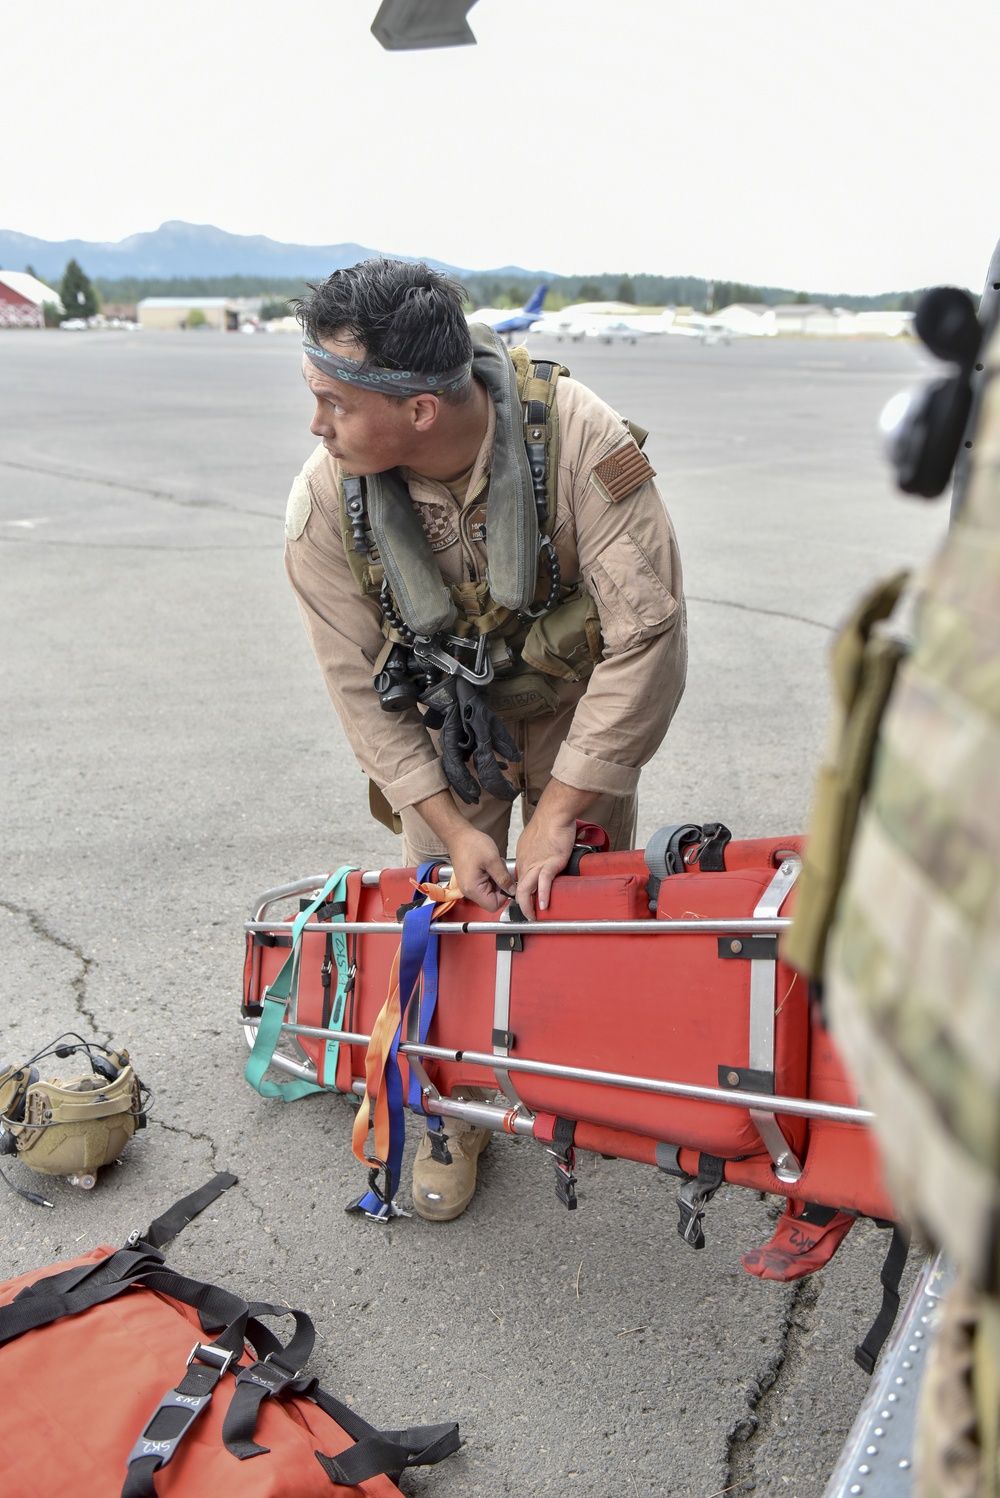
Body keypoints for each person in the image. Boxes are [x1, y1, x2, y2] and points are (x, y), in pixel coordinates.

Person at [284, 258, 687, 1219]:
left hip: (570, 710)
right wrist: (450, 825)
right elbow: (357, 692)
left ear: (421, 409)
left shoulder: (580, 440)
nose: (317, 425)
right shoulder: (324, 508)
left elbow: (647, 635)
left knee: (581, 883)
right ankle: (450, 1100)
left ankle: (571, 1072)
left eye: (335, 403)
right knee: (444, 901)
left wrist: (565, 807)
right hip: (444, 728)